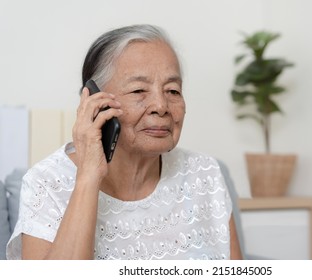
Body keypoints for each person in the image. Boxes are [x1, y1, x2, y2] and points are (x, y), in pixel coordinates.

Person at [6, 24, 242, 260]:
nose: (161, 106)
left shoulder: (206, 174)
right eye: (139, 90)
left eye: (173, 90)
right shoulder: (46, 184)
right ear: (95, 102)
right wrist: (88, 176)